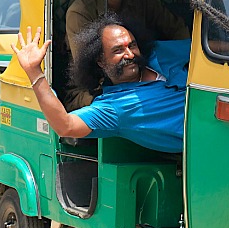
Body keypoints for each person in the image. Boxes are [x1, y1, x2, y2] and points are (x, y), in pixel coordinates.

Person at [13, 14, 189, 153]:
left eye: (132, 46)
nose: (129, 54)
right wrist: (34, 72)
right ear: (101, 62)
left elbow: (208, 50)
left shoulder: (156, 53)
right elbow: (65, 126)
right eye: (118, 50)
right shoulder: (114, 106)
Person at [64, 0, 190, 109]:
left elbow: (176, 29)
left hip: (140, 73)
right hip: (93, 89)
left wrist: (185, 60)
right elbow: (90, 68)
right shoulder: (80, 12)